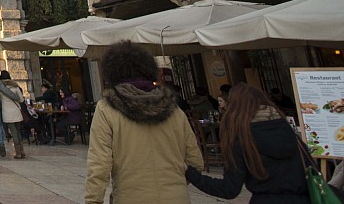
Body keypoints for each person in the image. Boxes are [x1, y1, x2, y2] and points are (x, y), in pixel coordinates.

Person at [85, 41, 202, 204]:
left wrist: (93, 200)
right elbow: (195, 161)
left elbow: (100, 164)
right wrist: (173, 185)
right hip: (176, 197)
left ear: (112, 73)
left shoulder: (106, 109)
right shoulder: (175, 110)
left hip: (130, 197)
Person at [185, 83, 308, 204]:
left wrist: (190, 173)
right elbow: (318, 170)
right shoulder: (292, 136)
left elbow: (228, 189)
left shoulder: (243, 141)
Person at [0, 70, 27, 159]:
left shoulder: (0, 89)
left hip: (7, 112)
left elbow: (0, 101)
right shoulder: (15, 86)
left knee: (13, 132)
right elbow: (22, 100)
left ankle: (18, 153)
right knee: (18, 130)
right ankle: (22, 151)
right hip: (16, 111)